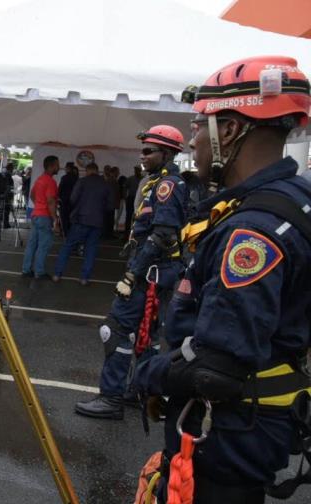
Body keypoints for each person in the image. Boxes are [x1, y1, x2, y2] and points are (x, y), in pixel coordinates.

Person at [133, 56, 311, 504]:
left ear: (228, 131)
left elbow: (216, 367)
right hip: (256, 426)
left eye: (197, 127)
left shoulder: (253, 230)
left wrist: (150, 376)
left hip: (228, 433)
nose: (193, 141)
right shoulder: (293, 198)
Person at [75, 124, 188, 420]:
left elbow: (162, 235)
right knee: (146, 334)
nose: (142, 155)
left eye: (149, 151)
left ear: (166, 154)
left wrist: (132, 274)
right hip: (158, 271)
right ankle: (140, 391)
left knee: (114, 330)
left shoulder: (167, 186)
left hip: (149, 273)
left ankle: (111, 398)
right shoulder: (160, 183)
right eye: (143, 150)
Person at [52, 162, 110, 284]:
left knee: (68, 246)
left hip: (81, 219)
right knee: (91, 250)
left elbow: (73, 199)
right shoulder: (105, 184)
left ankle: (57, 274)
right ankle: (84, 278)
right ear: (97, 170)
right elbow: (110, 204)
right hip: (97, 221)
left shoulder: (82, 181)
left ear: (88, 171)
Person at [21, 156, 59, 279]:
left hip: (36, 215)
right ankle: (39, 272)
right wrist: (55, 219)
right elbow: (50, 201)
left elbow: (32, 195)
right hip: (44, 217)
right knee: (43, 245)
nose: (58, 167)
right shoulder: (50, 181)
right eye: (57, 165)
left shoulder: (40, 179)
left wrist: (39, 205)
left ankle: (26, 270)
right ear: (51, 166)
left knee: (32, 244)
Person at [58, 162, 79, 236]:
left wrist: (59, 198)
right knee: (72, 219)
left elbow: (60, 190)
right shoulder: (77, 178)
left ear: (68, 168)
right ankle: (72, 234)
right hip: (74, 202)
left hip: (64, 201)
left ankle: (65, 234)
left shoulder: (64, 178)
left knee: (64, 218)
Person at [123, 165, 141, 239]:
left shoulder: (142, 179)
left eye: (137, 170)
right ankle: (126, 235)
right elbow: (125, 187)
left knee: (137, 217)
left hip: (139, 199)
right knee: (128, 217)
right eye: (135, 170)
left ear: (140, 171)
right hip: (131, 199)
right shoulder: (130, 178)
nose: (136, 171)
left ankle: (134, 235)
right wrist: (125, 196)